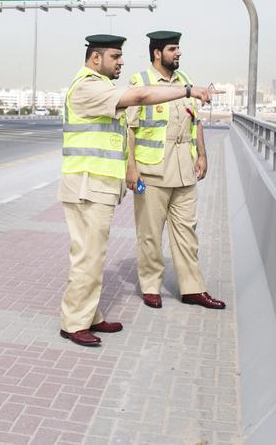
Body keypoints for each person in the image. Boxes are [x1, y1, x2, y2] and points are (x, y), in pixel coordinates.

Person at [59, 34, 214, 347]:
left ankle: (89, 315)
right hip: (87, 186)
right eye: (115, 57)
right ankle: (73, 322)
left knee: (94, 256)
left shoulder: (98, 85)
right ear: (95, 59)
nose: (121, 62)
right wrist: (187, 91)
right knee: (87, 257)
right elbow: (139, 99)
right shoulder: (87, 87)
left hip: (96, 186)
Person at [126, 30, 226, 311]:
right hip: (152, 172)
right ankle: (150, 286)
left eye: (179, 48)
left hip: (184, 171)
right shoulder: (140, 82)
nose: (178, 53)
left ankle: (192, 288)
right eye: (173, 49)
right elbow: (129, 129)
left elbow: (196, 123)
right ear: (157, 53)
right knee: (149, 233)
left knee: (187, 233)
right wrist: (131, 169)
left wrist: (203, 155)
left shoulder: (185, 83)